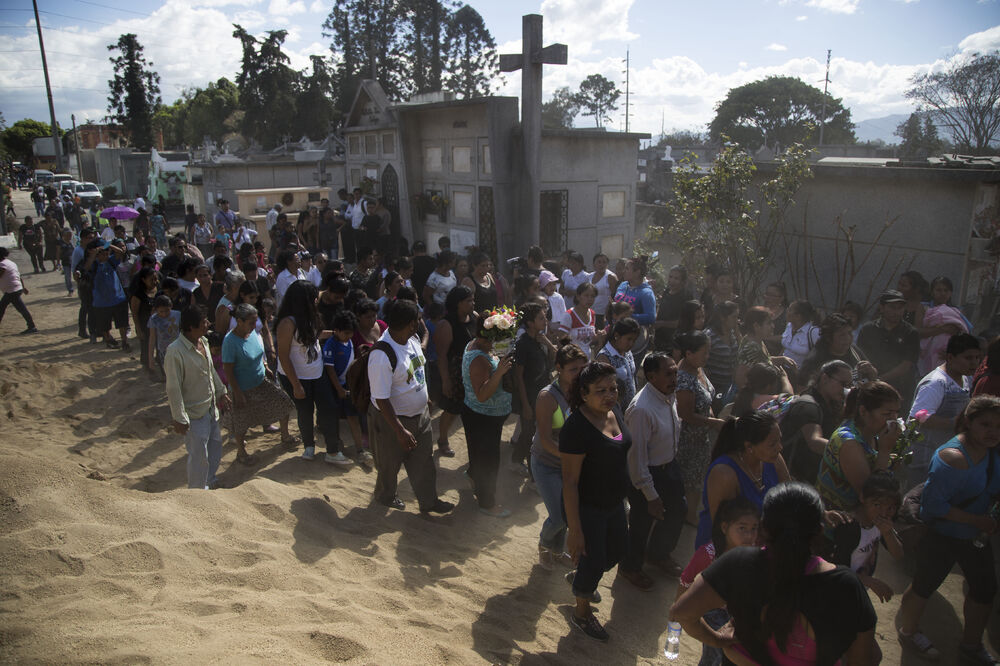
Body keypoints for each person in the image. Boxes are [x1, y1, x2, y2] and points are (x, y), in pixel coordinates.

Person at [670, 482, 880, 666]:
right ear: (819, 531)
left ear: (764, 528)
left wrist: (719, 640)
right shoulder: (845, 586)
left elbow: (682, 613)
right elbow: (865, 659)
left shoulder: (738, 563)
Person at [897, 395, 1000, 664]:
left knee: (984, 590)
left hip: (974, 538)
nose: (993, 432)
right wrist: (977, 521)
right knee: (923, 586)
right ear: (968, 422)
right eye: (986, 424)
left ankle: (971, 644)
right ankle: (908, 632)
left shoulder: (993, 452)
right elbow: (932, 507)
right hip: (942, 536)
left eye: (999, 426)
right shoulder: (952, 458)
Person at [561, 362, 632, 642]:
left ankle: (582, 579)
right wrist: (575, 530)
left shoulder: (614, 412)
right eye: (600, 390)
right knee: (595, 559)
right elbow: (570, 482)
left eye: (613, 388)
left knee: (618, 550)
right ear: (584, 394)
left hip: (614, 503)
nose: (609, 395)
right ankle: (581, 613)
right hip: (587, 507)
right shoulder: (576, 427)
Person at [367, 299, 454, 514]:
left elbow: (417, 371)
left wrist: (423, 397)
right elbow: (381, 399)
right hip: (392, 422)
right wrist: (399, 430)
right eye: (418, 319)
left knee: (424, 462)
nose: (421, 322)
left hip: (420, 415)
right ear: (411, 324)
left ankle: (429, 501)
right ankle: (386, 497)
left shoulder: (412, 339)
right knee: (389, 465)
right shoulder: (381, 354)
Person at [620, 353, 686, 590]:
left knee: (678, 511)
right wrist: (651, 494)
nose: (674, 378)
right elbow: (636, 460)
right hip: (647, 475)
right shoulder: (641, 410)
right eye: (668, 373)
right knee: (641, 523)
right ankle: (630, 567)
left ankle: (657, 555)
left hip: (669, 467)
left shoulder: (669, 395)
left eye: (675, 372)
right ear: (651, 376)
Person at [676, 497, 760, 666]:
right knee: (715, 654)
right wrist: (678, 611)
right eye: (742, 528)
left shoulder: (755, 555)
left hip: (737, 613)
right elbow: (685, 580)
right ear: (724, 527)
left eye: (754, 528)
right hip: (712, 611)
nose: (749, 535)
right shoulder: (709, 554)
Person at [275, 280, 350, 465]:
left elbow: (315, 334)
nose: (317, 299)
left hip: (316, 371)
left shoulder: (310, 317)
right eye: (313, 297)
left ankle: (332, 451)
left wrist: (334, 333)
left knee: (329, 407)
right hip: (296, 376)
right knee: (305, 410)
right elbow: (284, 357)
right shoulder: (287, 323)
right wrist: (296, 385)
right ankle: (309, 446)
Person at [695, 411, 789, 547]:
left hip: (756, 544)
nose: (779, 447)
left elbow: (791, 498)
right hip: (722, 548)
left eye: (779, 440)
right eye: (772, 444)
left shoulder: (774, 460)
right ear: (749, 446)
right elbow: (725, 529)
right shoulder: (724, 473)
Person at [531, 343, 587, 569]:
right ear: (559, 369)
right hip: (546, 463)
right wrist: (571, 457)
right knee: (560, 515)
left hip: (571, 464)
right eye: (573, 369)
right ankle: (544, 545)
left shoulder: (583, 392)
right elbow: (545, 440)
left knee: (569, 511)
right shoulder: (547, 397)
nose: (579, 374)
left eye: (582, 369)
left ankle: (556, 550)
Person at [164, 306, 232, 490]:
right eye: (203, 322)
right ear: (189, 327)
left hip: (210, 408)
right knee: (199, 455)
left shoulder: (203, 342)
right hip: (193, 413)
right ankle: (196, 492)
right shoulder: (175, 352)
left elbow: (211, 371)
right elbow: (173, 387)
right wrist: (179, 417)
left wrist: (221, 391)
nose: (207, 324)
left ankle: (209, 481)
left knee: (215, 447)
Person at [222, 303, 295, 464]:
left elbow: (258, 352)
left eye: (256, 321)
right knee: (241, 423)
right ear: (239, 321)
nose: (255, 325)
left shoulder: (254, 333)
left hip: (261, 381)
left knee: (284, 403)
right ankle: (241, 454)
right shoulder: (230, 341)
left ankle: (285, 436)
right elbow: (228, 370)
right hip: (242, 387)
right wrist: (237, 392)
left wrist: (265, 365)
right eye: (251, 322)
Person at [906, 333, 980, 490]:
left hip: (942, 456)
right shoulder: (936, 383)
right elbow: (917, 418)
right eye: (968, 358)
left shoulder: (964, 379)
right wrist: (956, 423)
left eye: (976, 357)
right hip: (923, 458)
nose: (974, 363)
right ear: (951, 357)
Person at [817, 380, 902, 511]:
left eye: (896, 413)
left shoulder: (871, 433)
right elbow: (871, 497)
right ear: (863, 411)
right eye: (886, 414)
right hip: (841, 523)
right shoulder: (849, 442)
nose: (893, 420)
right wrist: (885, 451)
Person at [461, 314, 514, 517]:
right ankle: (487, 503)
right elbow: (482, 394)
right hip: (482, 416)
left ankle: (473, 477)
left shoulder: (478, 345)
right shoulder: (479, 359)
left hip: (481, 415)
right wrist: (499, 373)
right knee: (489, 461)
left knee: (478, 454)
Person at [824, 471, 904, 603]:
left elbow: (898, 554)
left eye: (890, 508)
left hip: (855, 587)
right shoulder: (850, 527)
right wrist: (869, 581)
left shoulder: (881, 524)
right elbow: (836, 570)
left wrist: (888, 533)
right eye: (877, 505)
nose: (883, 513)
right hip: (838, 591)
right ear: (862, 498)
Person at [676, 331, 726, 519]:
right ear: (689, 353)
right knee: (689, 480)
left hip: (701, 436)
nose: (707, 356)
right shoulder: (683, 378)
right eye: (704, 352)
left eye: (708, 352)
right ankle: (688, 516)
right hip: (688, 439)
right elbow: (686, 414)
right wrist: (714, 423)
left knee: (695, 479)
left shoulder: (697, 368)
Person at [782, 360, 852, 484]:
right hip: (797, 479)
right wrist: (853, 453)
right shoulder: (808, 405)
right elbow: (814, 442)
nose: (846, 390)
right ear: (825, 378)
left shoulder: (832, 405)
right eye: (843, 384)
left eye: (849, 385)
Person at [858, 289, 920, 411]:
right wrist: (866, 381)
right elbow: (859, 359)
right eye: (892, 307)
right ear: (881, 307)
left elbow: (906, 365)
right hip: (870, 388)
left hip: (899, 390)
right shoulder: (868, 329)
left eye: (900, 308)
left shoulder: (910, 333)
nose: (896, 312)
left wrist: (879, 379)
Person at [322, 310, 371, 465]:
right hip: (335, 389)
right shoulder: (331, 344)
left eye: (351, 333)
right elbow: (330, 370)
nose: (349, 336)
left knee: (353, 418)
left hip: (347, 387)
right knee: (334, 418)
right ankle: (336, 447)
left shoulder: (348, 341)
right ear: (336, 331)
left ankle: (360, 450)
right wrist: (339, 390)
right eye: (346, 333)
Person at [432, 286, 477, 456]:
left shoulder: (475, 317)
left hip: (474, 371)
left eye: (473, 300)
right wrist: (446, 381)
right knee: (452, 410)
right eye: (468, 301)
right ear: (457, 304)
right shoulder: (446, 324)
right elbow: (442, 356)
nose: (472, 304)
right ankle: (442, 440)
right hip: (455, 374)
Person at [512, 302, 553, 475]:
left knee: (531, 431)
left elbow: (554, 358)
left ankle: (515, 460)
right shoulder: (523, 344)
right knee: (530, 434)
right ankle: (533, 475)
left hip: (540, 393)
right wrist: (526, 405)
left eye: (545, 317)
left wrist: (548, 344)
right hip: (528, 396)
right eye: (541, 318)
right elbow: (518, 376)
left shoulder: (540, 339)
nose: (545, 321)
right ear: (529, 323)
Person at [798, 313, 877, 387]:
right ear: (828, 338)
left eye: (849, 333)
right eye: (842, 335)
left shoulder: (854, 351)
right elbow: (802, 389)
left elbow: (861, 383)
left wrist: (872, 375)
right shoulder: (815, 360)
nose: (848, 338)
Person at [918, 275, 971, 375]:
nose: (942, 293)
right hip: (926, 355)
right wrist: (943, 329)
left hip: (948, 357)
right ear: (932, 292)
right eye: (938, 290)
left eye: (946, 290)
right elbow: (918, 332)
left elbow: (963, 336)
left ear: (950, 293)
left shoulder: (956, 312)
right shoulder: (924, 308)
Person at [83, 239, 130, 351]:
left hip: (118, 298)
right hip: (101, 302)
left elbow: (121, 252)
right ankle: (108, 339)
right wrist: (96, 251)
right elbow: (87, 267)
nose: (106, 255)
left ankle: (124, 342)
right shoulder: (94, 265)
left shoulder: (111, 261)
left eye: (107, 253)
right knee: (105, 325)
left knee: (122, 323)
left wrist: (108, 245)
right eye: (103, 254)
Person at [596, 317, 640, 409]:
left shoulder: (627, 352)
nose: (631, 344)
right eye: (629, 339)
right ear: (617, 336)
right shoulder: (604, 357)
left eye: (634, 340)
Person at [704, 300, 740, 411]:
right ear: (723, 318)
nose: (737, 320)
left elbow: (741, 349)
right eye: (734, 317)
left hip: (730, 384)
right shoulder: (709, 336)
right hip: (714, 385)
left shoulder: (732, 334)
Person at [0, 247, 38, 334]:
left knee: (2, 308)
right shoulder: (10, 263)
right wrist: (23, 287)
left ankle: (32, 326)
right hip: (16, 288)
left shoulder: (2, 265)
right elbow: (18, 275)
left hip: (12, 290)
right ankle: (32, 326)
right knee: (21, 309)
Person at [653, 265, 691, 352]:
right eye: (670, 277)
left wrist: (662, 323)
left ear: (683, 281)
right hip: (659, 338)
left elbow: (683, 322)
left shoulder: (686, 296)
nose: (672, 281)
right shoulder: (667, 292)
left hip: (674, 341)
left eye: (676, 278)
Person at [129, 266, 159, 372]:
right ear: (143, 279)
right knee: (146, 347)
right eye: (151, 279)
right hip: (144, 325)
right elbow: (135, 313)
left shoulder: (159, 290)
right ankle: (148, 368)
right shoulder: (138, 295)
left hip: (160, 325)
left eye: (156, 278)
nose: (155, 282)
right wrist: (138, 329)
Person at [780, 299, 820, 369]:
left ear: (798, 316)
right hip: (783, 369)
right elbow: (785, 348)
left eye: (789, 310)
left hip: (800, 373)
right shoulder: (789, 326)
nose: (786, 312)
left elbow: (819, 356)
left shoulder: (813, 332)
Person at [589, 253, 618, 329]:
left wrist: (608, 313)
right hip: (590, 312)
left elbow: (615, 296)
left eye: (604, 262)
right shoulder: (590, 276)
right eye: (599, 262)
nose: (601, 265)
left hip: (603, 314)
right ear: (594, 264)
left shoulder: (610, 277)